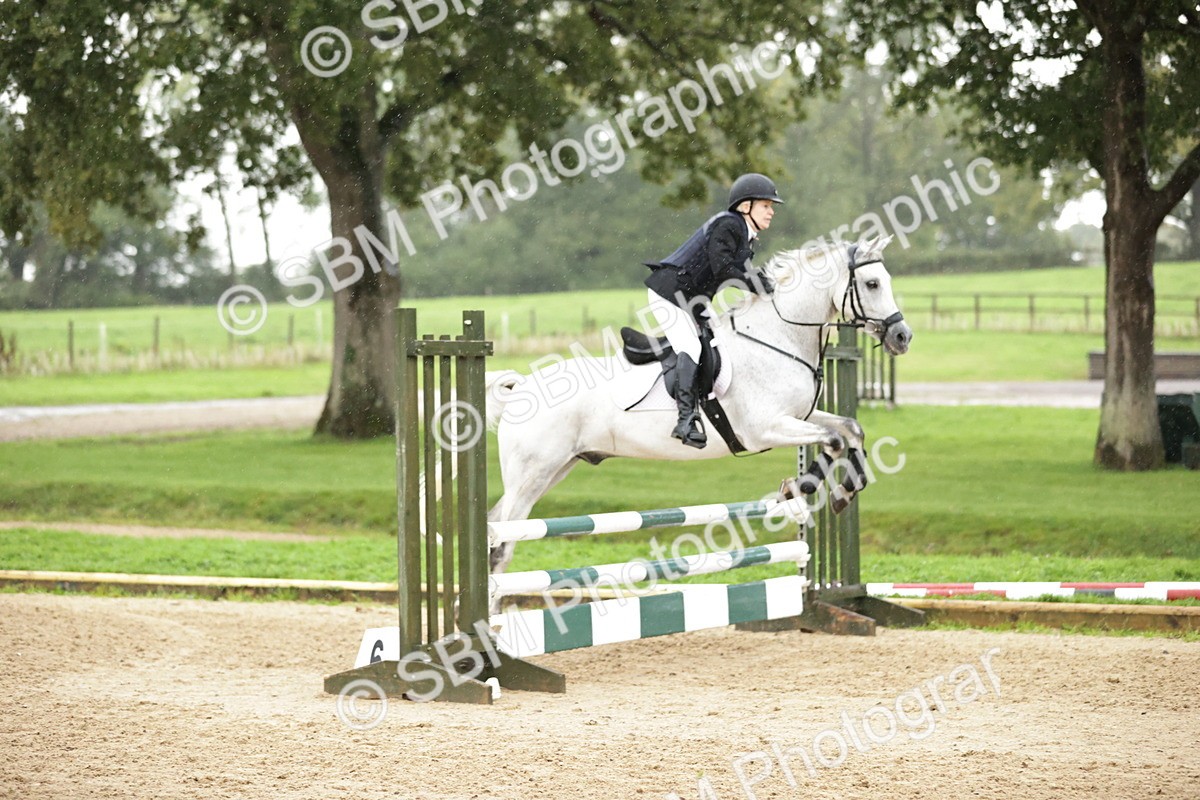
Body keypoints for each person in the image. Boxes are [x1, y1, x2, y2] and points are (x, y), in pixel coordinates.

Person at [643, 173, 784, 449]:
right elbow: (725, 270)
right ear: (746, 207)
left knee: (718, 342)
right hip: (669, 294)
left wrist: (767, 283)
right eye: (766, 205)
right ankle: (685, 420)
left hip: (693, 300)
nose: (772, 211)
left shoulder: (745, 234)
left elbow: (742, 272)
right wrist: (760, 284)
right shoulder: (729, 224)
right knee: (691, 347)